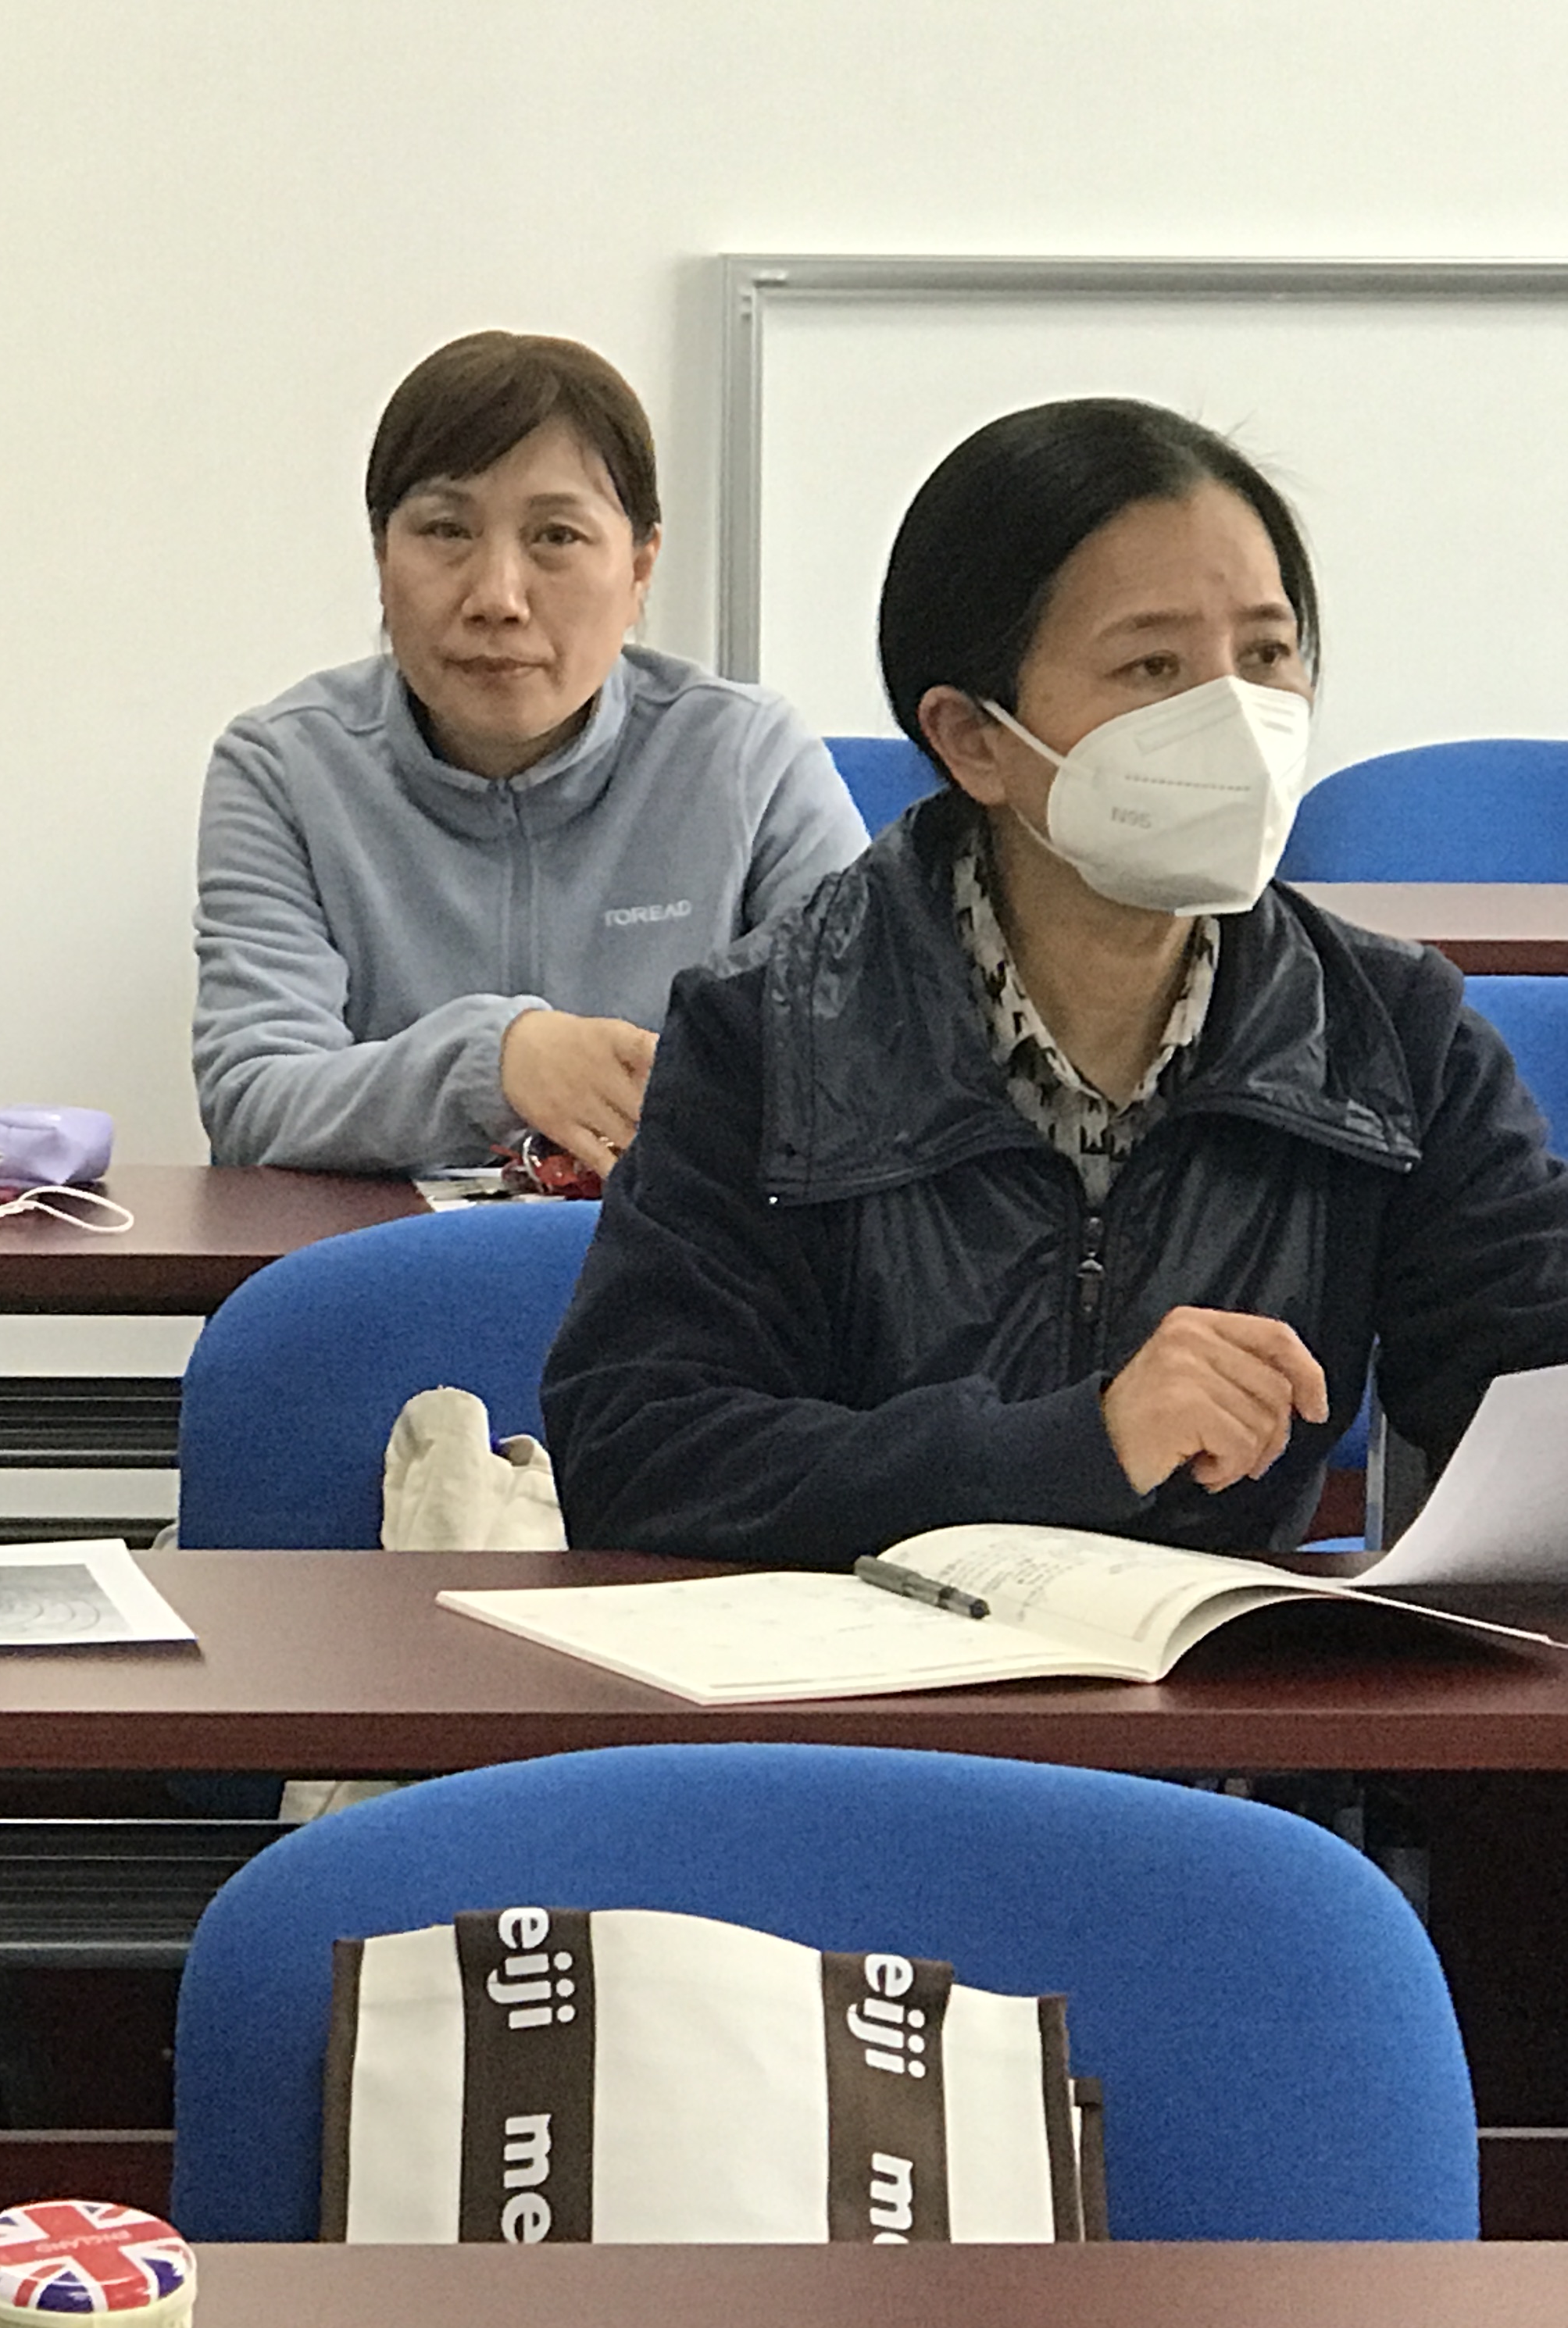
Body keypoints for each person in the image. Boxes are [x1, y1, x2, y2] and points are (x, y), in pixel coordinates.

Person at [542, 396, 1568, 1566]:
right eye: (1153, 665)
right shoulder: (772, 1031)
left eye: (1266, 654)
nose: (1235, 719)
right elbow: (641, 1454)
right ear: (974, 740)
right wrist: (1077, 1446)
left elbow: (1527, 1379)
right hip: (870, 1674)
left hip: (1226, 1671)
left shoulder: (1387, 1034)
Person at [190, 330, 866, 1175]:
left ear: (640, 568)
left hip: (684, 1252)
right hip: (388, 1255)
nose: (498, 597)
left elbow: (869, 1066)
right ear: (381, 557)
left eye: (556, 536)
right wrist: (496, 1060)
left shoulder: (746, 759)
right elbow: (252, 1097)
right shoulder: (285, 769)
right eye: (446, 530)